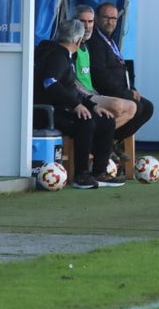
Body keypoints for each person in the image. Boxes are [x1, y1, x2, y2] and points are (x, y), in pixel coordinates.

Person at [34, 20, 123, 189]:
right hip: (48, 112)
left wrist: (92, 105)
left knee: (106, 120)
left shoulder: (64, 55)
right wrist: (76, 105)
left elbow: (70, 89)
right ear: (79, 41)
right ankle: (81, 175)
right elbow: (50, 83)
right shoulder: (56, 56)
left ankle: (99, 172)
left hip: (62, 108)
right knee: (86, 123)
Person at [87, 2, 155, 142]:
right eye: (106, 18)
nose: (110, 22)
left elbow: (121, 69)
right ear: (97, 19)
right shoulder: (95, 41)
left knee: (148, 107)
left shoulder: (110, 40)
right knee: (138, 107)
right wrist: (127, 93)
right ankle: (103, 142)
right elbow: (100, 76)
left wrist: (132, 88)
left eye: (113, 19)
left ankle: (113, 141)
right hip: (104, 92)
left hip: (121, 89)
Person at [71, 5, 138, 134]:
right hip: (81, 97)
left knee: (133, 107)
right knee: (120, 106)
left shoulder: (86, 46)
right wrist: (91, 98)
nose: (86, 26)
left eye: (90, 22)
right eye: (82, 21)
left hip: (91, 94)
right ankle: (99, 141)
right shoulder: (71, 46)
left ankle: (103, 142)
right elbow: (71, 81)